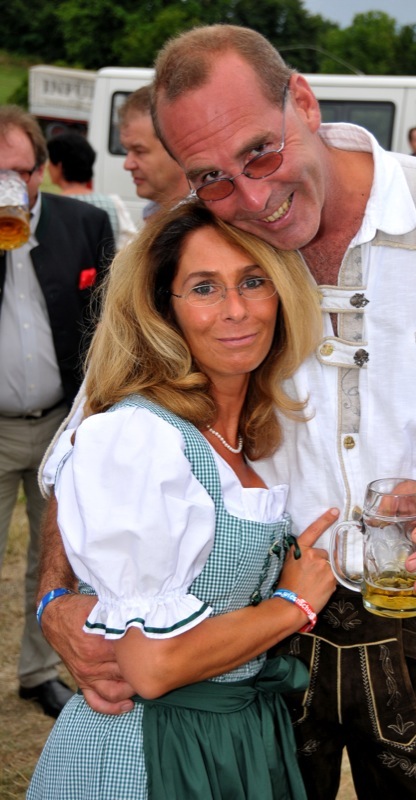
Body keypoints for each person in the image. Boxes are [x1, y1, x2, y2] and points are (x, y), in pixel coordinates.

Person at [37, 24, 416, 799]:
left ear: (301, 99)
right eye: (211, 176)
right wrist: (55, 599)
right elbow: (89, 436)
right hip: (244, 629)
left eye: (261, 152)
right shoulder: (204, 236)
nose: (252, 198)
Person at [28, 200, 338, 799]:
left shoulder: (245, 434)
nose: (236, 309)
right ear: (162, 310)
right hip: (152, 750)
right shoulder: (139, 436)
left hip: (232, 735)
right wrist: (292, 605)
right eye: (204, 288)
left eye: (253, 281)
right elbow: (151, 666)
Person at [0, 105, 114, 719]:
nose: (10, 187)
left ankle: (39, 671)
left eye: (20, 172)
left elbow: (109, 324)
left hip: (62, 427)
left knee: (58, 561)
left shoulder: (85, 222)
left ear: (42, 168)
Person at [47, 130, 137, 250]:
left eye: (50, 162)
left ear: (59, 166)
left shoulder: (49, 207)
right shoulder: (114, 203)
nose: (47, 167)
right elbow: (129, 244)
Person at [118, 84, 189, 220]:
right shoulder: (153, 213)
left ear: (178, 149)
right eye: (127, 150)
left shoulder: (206, 225)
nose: (127, 165)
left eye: (139, 151)